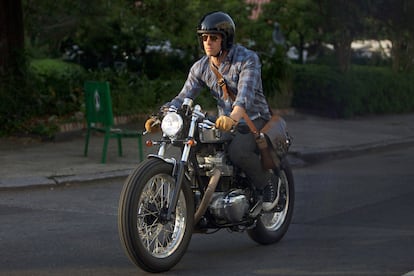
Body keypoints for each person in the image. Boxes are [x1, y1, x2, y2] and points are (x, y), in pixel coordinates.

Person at [145, 11, 278, 212]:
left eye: (213, 38)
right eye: (204, 38)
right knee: (192, 140)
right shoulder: (201, 67)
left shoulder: (247, 59)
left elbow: (244, 96)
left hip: (254, 119)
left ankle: (267, 183)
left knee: (238, 152)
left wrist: (233, 117)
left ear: (225, 40)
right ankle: (201, 192)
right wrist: (163, 115)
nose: (207, 42)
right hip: (225, 119)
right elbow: (183, 97)